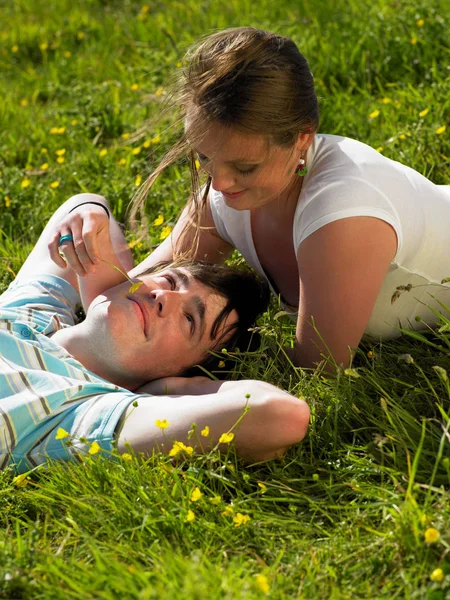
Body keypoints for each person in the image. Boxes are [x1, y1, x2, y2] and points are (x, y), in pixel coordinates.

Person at [49, 27, 450, 372]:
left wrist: (160, 385)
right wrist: (87, 219)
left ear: (302, 138)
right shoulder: (226, 197)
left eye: (244, 167)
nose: (219, 184)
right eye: (205, 157)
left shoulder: (342, 216)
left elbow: (318, 370)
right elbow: (135, 292)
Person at [0, 194, 310, 474]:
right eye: (171, 281)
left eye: (190, 320)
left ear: (181, 373)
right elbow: (84, 203)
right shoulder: (34, 310)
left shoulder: (81, 413)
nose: (164, 297)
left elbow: (280, 415)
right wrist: (91, 219)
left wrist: (166, 390)